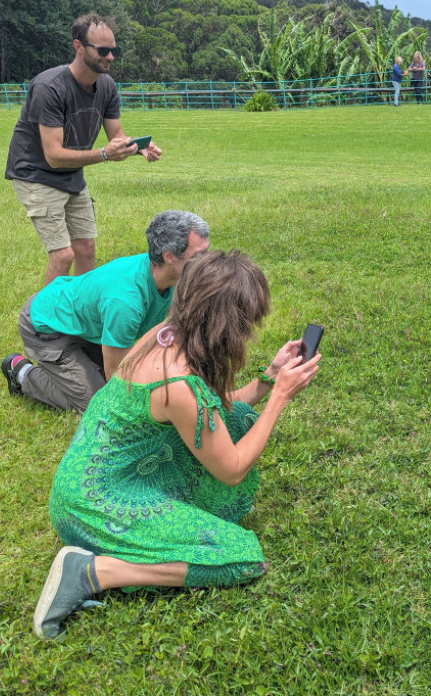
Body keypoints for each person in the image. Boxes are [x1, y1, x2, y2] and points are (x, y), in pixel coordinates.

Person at [32, 249, 320, 639]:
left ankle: (127, 548)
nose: (250, 332)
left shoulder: (164, 336)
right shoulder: (180, 385)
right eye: (248, 323)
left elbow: (214, 412)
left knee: (233, 420)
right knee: (239, 557)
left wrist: (269, 377)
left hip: (86, 483)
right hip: (95, 505)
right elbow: (232, 468)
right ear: (227, 324)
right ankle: (93, 572)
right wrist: (280, 397)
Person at [6, 12, 163, 286]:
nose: (110, 57)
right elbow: (54, 156)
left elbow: (117, 136)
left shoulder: (107, 86)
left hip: (71, 175)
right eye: (103, 50)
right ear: (78, 46)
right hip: (36, 174)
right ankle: (44, 323)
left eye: (113, 50)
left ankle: (80, 316)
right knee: (63, 255)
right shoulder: (49, 87)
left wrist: (139, 148)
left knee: (86, 250)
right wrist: (104, 154)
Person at [0, 211, 209, 413]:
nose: (208, 262)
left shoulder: (170, 277)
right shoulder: (125, 301)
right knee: (96, 402)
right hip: (46, 327)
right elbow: (117, 375)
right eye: (200, 255)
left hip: (82, 325)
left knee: (139, 371)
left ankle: (77, 364)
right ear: (169, 256)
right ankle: (21, 372)